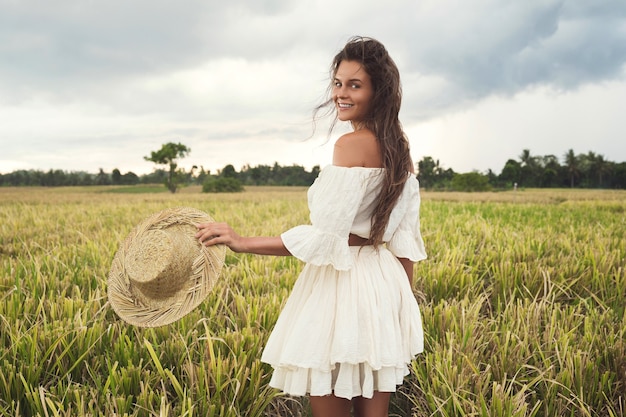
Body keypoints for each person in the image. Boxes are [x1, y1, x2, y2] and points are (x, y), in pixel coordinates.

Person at [196, 36, 427, 417]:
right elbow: (405, 246)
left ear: (378, 91)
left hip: (342, 287)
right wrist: (402, 309)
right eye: (338, 83)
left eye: (355, 85)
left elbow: (325, 241)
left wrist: (242, 241)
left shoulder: (350, 146)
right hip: (384, 285)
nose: (341, 93)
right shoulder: (399, 148)